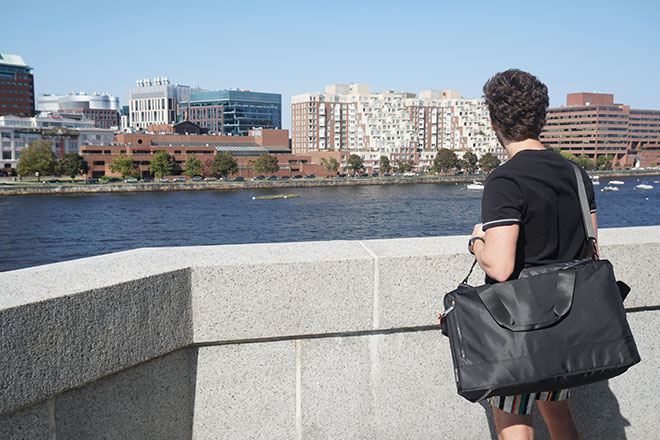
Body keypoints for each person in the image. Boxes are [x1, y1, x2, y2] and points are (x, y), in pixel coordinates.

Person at [469, 69, 597, 440]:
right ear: (542, 117)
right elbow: (592, 252)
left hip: (518, 327)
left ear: (494, 121)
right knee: (559, 418)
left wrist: (477, 242)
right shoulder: (575, 174)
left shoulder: (505, 180)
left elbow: (502, 264)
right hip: (564, 324)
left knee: (515, 426)